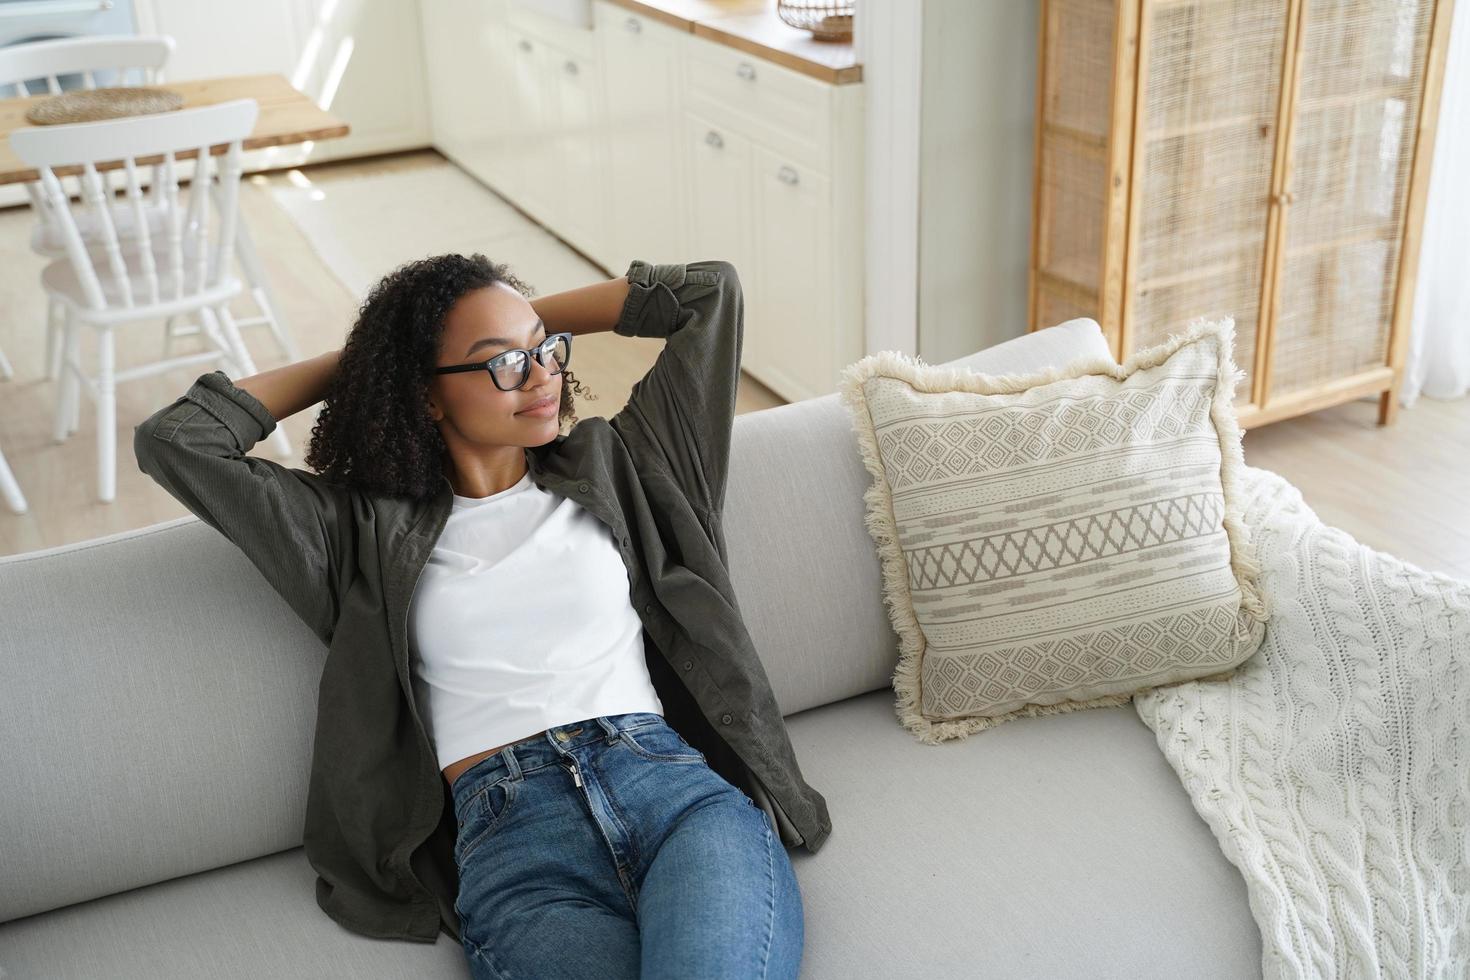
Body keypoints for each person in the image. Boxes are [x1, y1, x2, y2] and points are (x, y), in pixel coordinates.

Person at [133, 254, 831, 979]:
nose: (540, 377)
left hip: (674, 800)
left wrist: (514, 331)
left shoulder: (625, 463)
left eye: (546, 349)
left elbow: (708, 294)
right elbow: (176, 440)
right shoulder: (354, 535)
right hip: (518, 847)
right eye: (501, 364)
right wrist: (373, 363)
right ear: (425, 396)